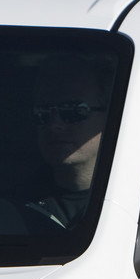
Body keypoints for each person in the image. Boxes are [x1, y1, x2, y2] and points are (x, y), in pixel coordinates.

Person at [27, 55, 114, 229]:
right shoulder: (12, 207)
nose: (54, 125)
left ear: (109, 115)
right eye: (42, 112)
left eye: (73, 111)